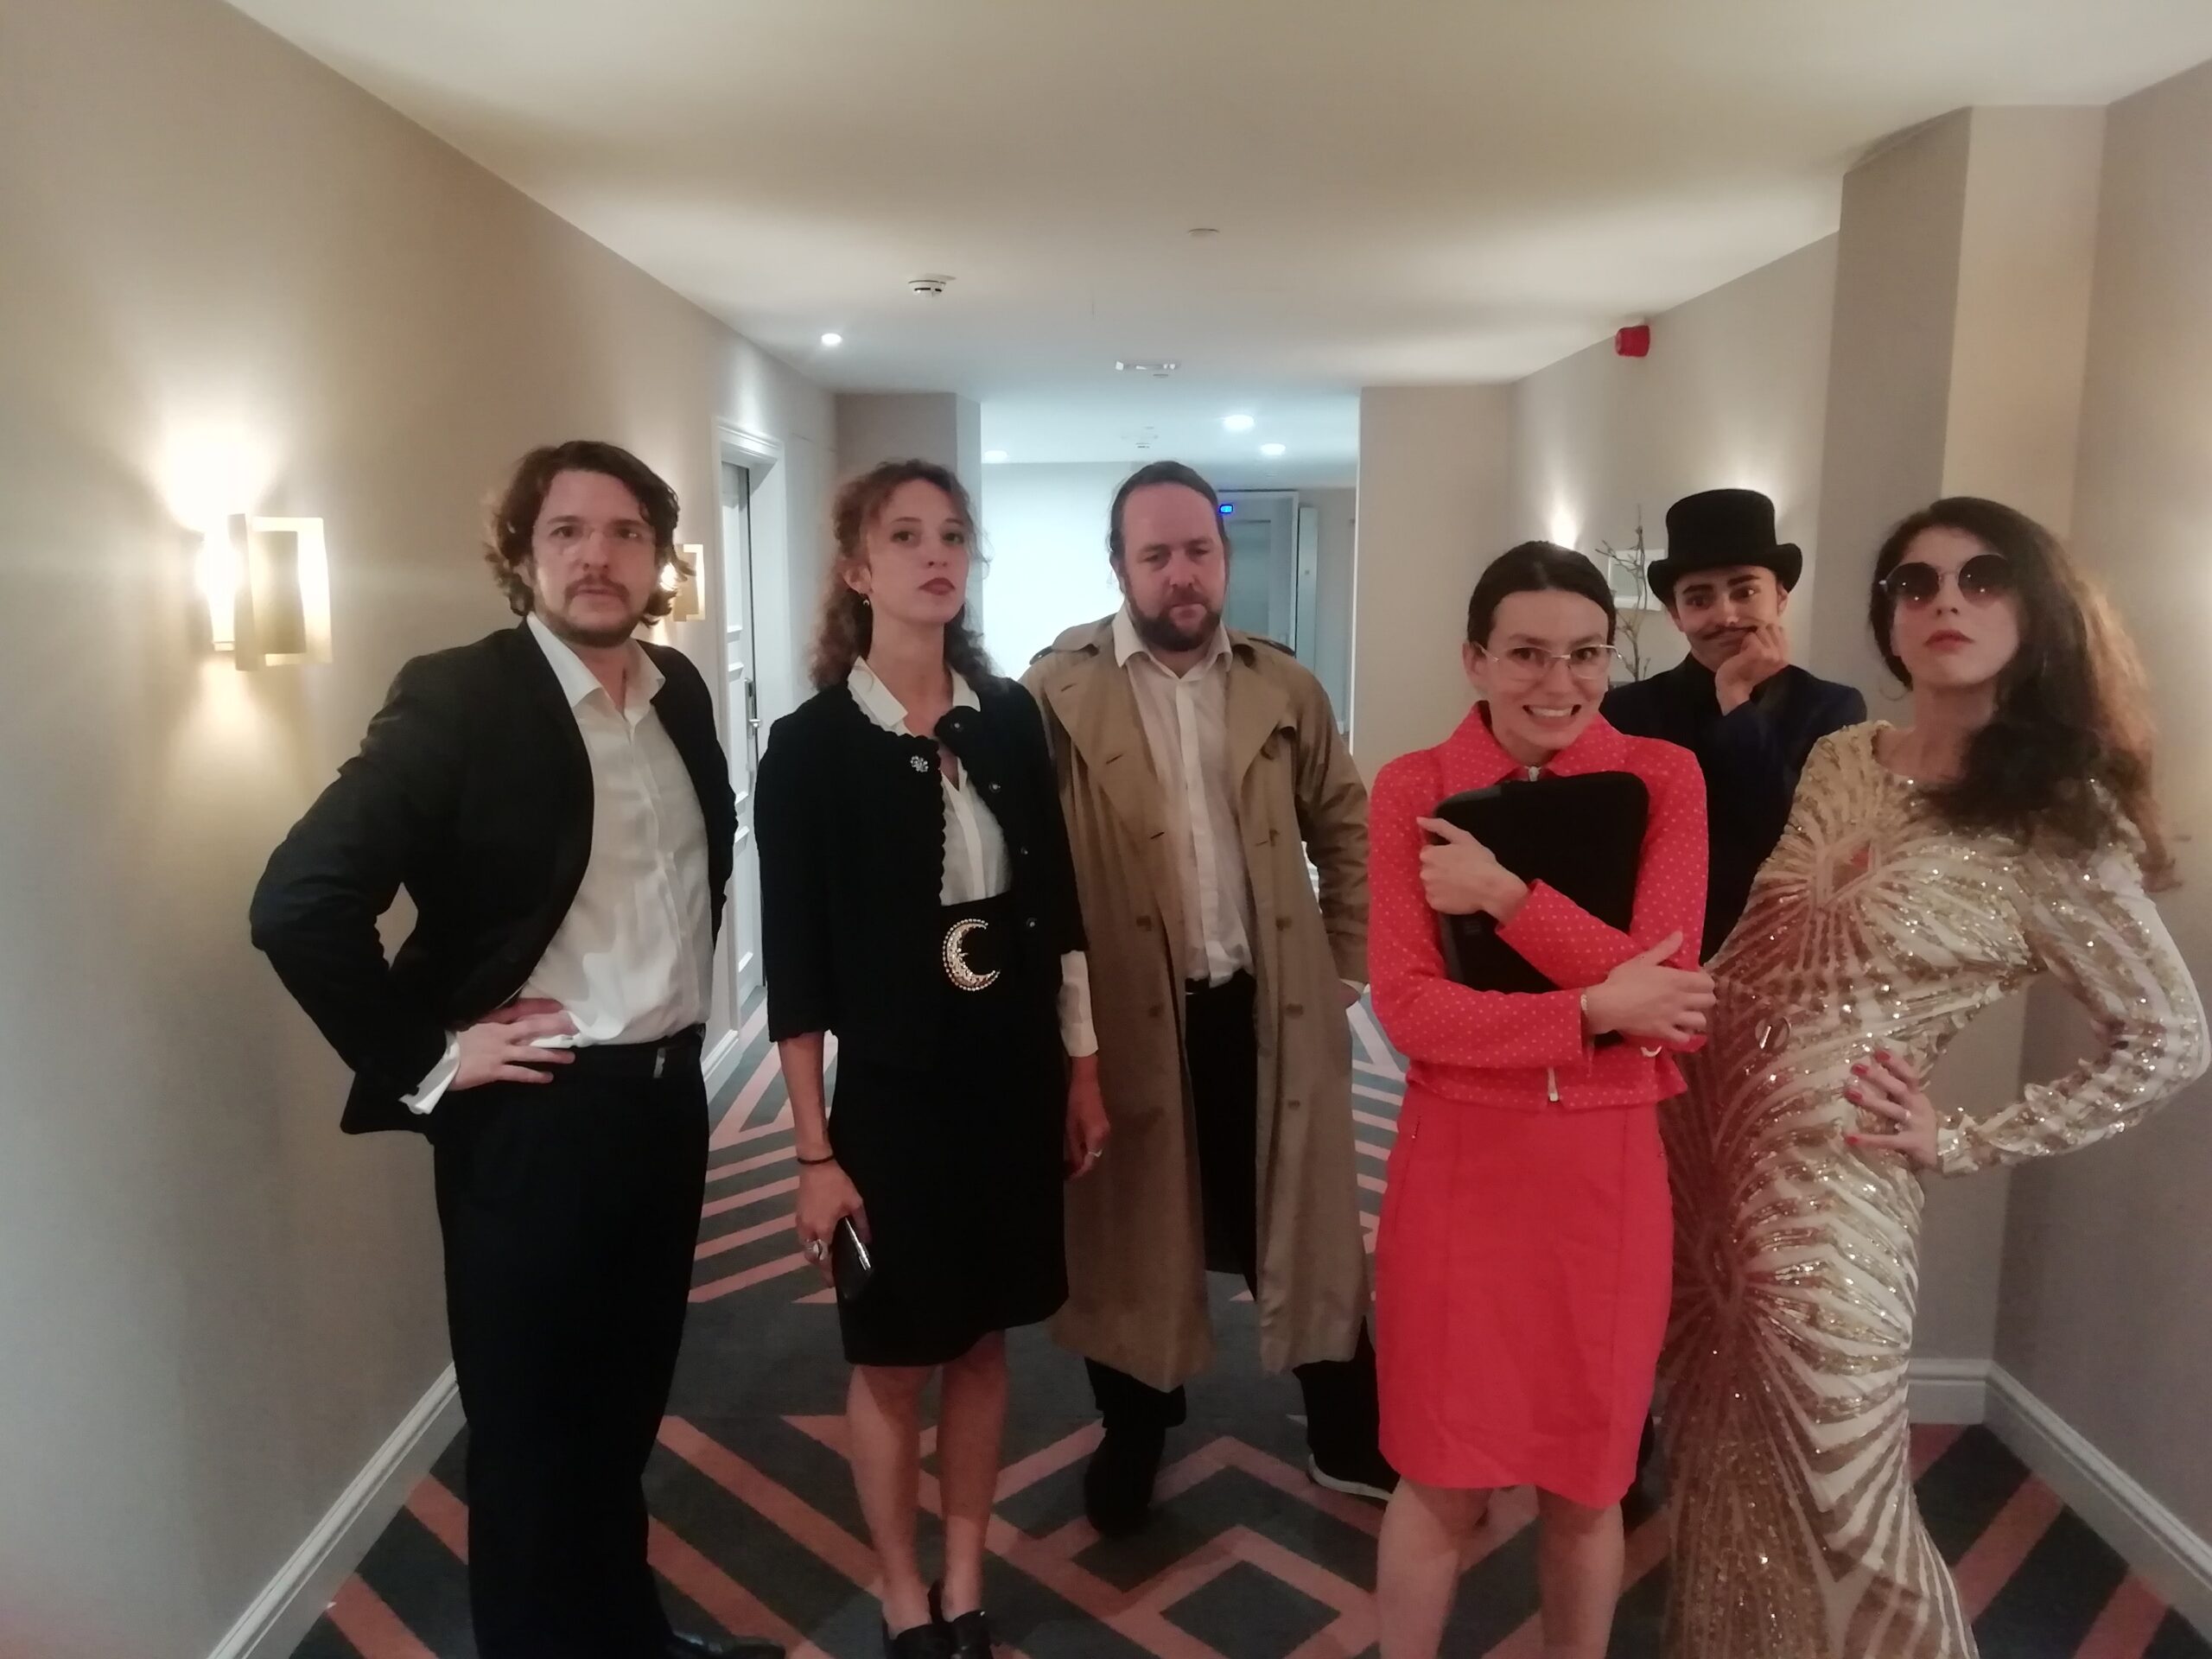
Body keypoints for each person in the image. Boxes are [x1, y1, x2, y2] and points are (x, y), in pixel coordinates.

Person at [250, 442, 776, 1659]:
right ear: (522, 555)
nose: (598, 556)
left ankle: (628, 1640)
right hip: (538, 1118)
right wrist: (431, 1060)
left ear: (659, 557)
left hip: (666, 1107)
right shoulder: (461, 698)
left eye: (626, 532)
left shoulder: (678, 692)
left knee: (620, 1414)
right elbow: (298, 903)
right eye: (566, 531)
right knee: (534, 1444)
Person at [1660, 498, 2208, 1659]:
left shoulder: (2054, 824)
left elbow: (2168, 1037)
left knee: (1845, 1497)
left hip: (1831, 1195)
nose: (1946, 602)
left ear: (2037, 612)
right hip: (1698, 1155)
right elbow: (1759, 948)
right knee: (1716, 1467)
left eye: (1982, 578)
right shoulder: (1840, 756)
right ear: (1889, 620)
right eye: (1916, 584)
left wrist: (1960, 1139)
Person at [755, 460, 1107, 1659]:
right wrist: (813, 1153)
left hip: (1009, 1081)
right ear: (858, 570)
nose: (934, 555)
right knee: (896, 1352)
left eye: (952, 534)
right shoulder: (809, 747)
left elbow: (1058, 914)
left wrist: (1081, 1071)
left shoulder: (1006, 718)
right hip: (895, 1095)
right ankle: (902, 1589)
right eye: (904, 536)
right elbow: (795, 970)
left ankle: (964, 1576)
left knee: (986, 1338)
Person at [1023, 460, 1390, 1536]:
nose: (1181, 574)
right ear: (1119, 567)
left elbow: (1347, 827)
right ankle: (1134, 1425)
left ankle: (1344, 1424)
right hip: (1125, 1017)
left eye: (1198, 551)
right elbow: (1028, 865)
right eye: (1157, 555)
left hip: (1266, 1007)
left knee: (1301, 1214)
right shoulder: (1054, 693)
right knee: (1128, 1231)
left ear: (1223, 559)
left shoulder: (1284, 686)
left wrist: (1347, 960)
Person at [1365, 542, 1713, 1659]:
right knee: (1438, 1476)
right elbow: (1410, 1010)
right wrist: (1595, 1009)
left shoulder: (1665, 778)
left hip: (1607, 1175)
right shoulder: (1413, 788)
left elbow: (1666, 989)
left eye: (1585, 654)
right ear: (1474, 659)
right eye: (1525, 654)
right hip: (1460, 1166)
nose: (1558, 682)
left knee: (1587, 1481)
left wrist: (1503, 896)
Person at [1604, 488, 1866, 958]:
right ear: (1676, 614)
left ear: (1780, 597)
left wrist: (1735, 699)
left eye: (1744, 592)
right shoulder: (1625, 712)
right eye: (1699, 599)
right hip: (1651, 954)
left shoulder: (1831, 708)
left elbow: (1791, 841)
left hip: (1785, 954)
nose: (1725, 616)